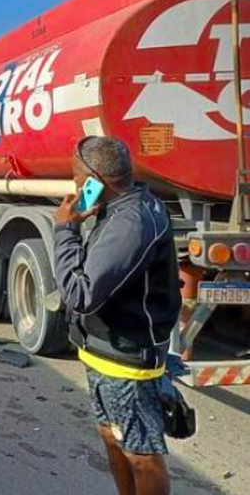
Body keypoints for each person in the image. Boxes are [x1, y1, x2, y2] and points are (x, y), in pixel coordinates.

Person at [54, 136, 181, 495]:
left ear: (96, 178)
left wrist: (65, 230)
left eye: (77, 177)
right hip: (104, 350)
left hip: (124, 359)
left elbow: (79, 295)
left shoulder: (131, 222)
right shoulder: (122, 207)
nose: (76, 185)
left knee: (141, 453)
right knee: (112, 436)